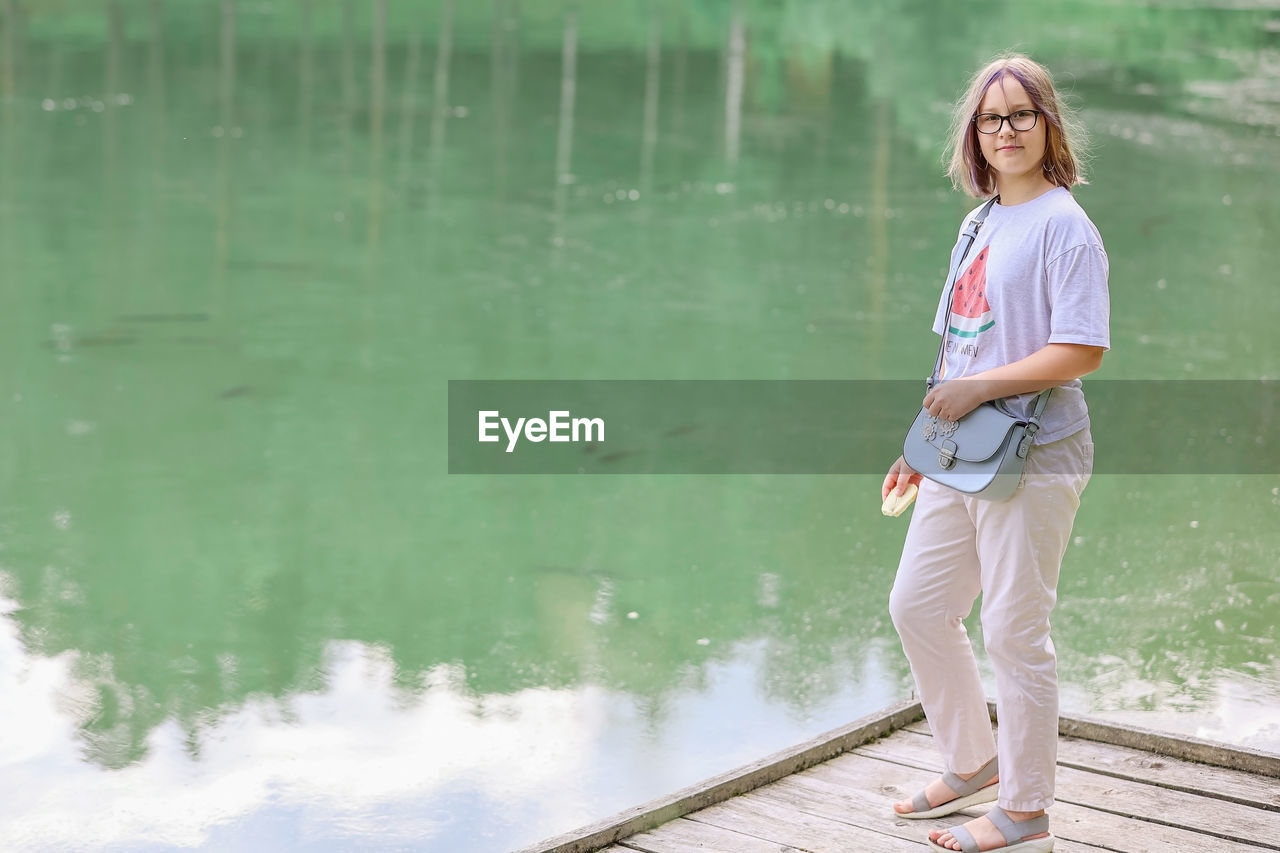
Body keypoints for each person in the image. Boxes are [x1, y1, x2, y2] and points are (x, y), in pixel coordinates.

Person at [881, 54, 1110, 853]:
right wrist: (922, 445)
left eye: (1020, 115)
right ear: (974, 135)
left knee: (1015, 631)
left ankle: (1025, 807)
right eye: (990, 118)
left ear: (1048, 123)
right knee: (917, 605)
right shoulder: (977, 221)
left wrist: (978, 393)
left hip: (1035, 450)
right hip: (963, 449)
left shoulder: (1065, 226)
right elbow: (959, 346)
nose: (1005, 130)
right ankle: (972, 761)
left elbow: (1081, 350)